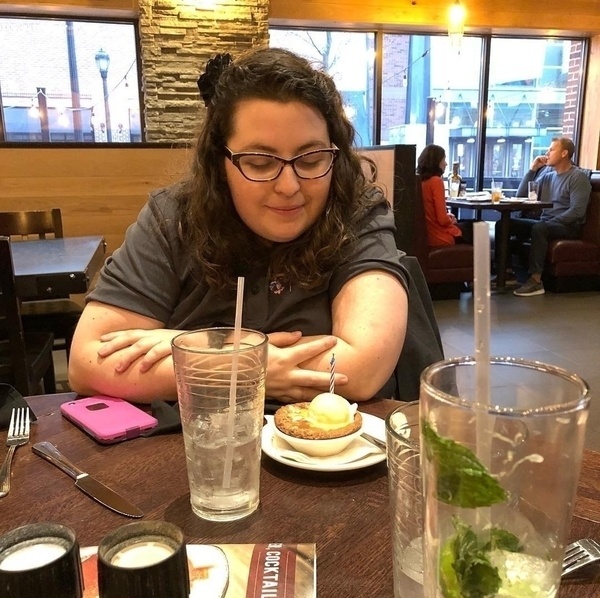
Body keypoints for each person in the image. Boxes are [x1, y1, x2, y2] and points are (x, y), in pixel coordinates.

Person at [68, 47, 408, 404]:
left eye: (311, 159)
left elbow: (362, 368)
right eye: (260, 162)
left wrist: (195, 345)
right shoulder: (172, 217)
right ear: (220, 163)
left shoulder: (357, 213)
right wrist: (244, 366)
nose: (289, 186)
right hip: (197, 435)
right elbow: (88, 361)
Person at [504, 137, 591, 297]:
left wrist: (549, 222)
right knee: (505, 224)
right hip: (546, 224)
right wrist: (532, 170)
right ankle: (506, 273)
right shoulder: (548, 177)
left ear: (564, 153)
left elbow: (577, 211)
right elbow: (521, 196)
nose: (547, 153)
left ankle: (536, 281)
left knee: (539, 227)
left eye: (551, 149)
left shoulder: (578, 177)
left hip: (568, 226)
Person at [416, 144, 469, 246]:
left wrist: (448, 217)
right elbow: (442, 220)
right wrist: (450, 220)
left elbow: (431, 213)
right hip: (441, 236)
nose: (446, 163)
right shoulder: (436, 181)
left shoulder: (420, 182)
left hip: (428, 235)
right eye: (443, 159)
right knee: (478, 226)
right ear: (436, 162)